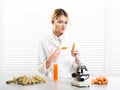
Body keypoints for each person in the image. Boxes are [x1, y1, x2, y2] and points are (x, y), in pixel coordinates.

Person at [38, 8, 80, 78]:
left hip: (68, 82)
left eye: (66, 22)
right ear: (53, 22)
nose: (64, 26)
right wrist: (49, 60)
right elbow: (40, 70)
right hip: (50, 83)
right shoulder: (44, 41)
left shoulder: (72, 41)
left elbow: (75, 68)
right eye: (60, 22)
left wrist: (77, 59)